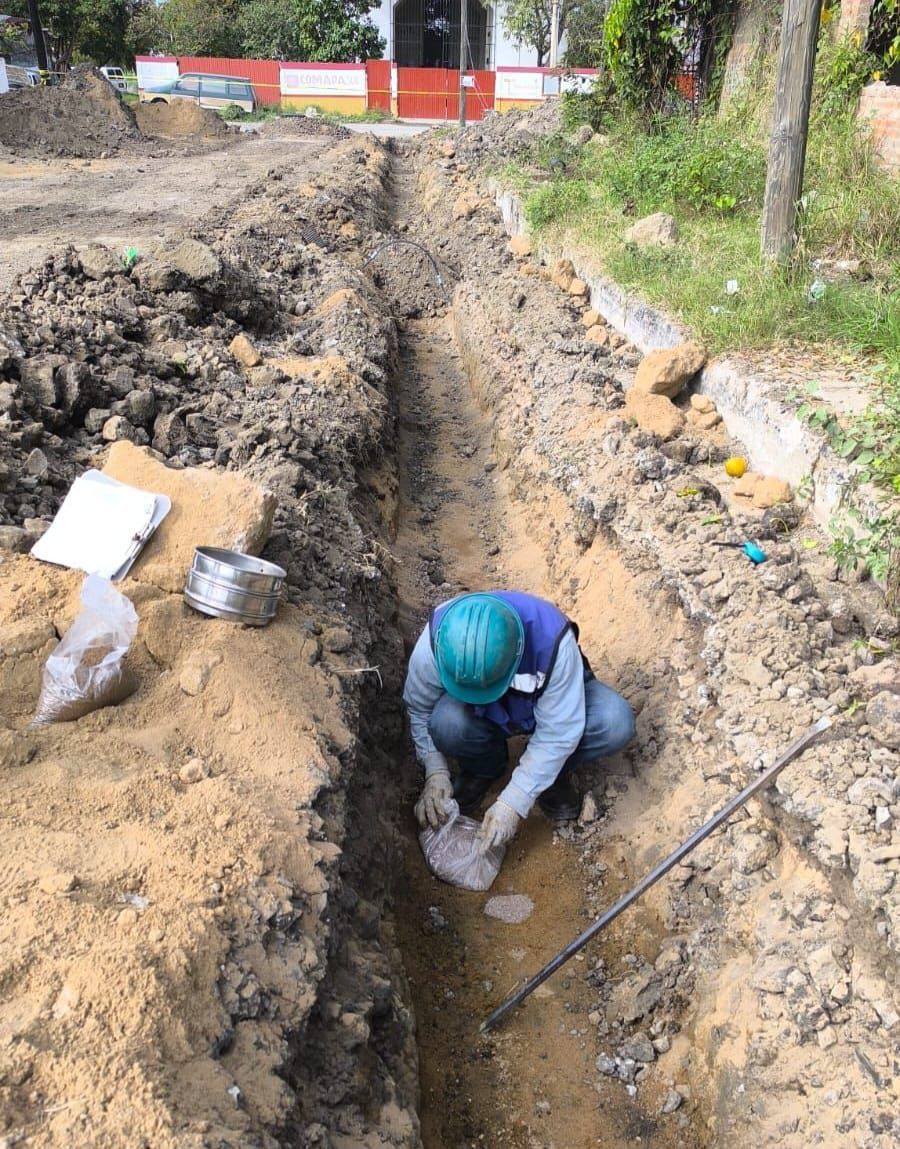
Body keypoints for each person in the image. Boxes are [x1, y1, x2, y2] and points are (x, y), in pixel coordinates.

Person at [403, 590, 635, 850]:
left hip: (551, 700)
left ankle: (553, 776)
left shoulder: (552, 642)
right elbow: (419, 709)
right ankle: (483, 767)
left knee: (614, 721)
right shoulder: (434, 645)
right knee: (447, 722)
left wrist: (514, 801)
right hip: (483, 712)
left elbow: (559, 732)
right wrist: (435, 770)